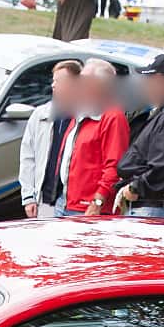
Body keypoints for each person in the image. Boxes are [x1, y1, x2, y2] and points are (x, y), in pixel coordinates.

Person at [115, 55, 164, 218]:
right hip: (150, 207)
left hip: (153, 209)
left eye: (151, 80)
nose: (146, 86)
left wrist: (135, 187)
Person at [64, 59, 130, 214]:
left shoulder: (113, 117)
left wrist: (98, 201)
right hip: (70, 203)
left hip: (92, 209)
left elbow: (115, 167)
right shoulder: (83, 111)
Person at [19, 59, 84, 217]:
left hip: (73, 204)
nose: (53, 85)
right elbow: (27, 157)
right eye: (53, 81)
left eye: (59, 81)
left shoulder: (85, 117)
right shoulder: (40, 115)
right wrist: (28, 196)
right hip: (45, 200)